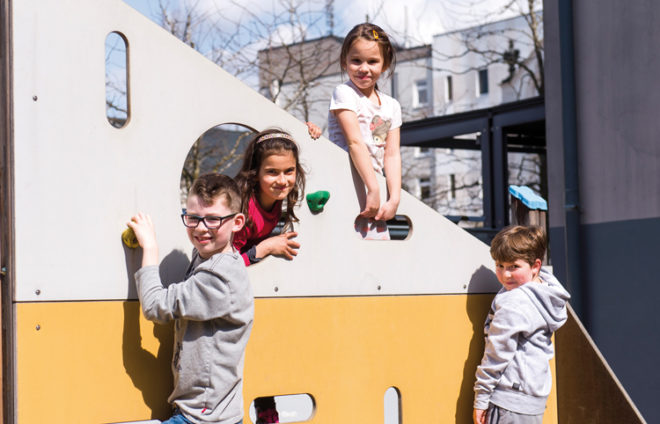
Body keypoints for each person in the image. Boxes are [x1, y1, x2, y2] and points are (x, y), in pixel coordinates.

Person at [127, 173, 253, 424]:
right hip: (202, 413)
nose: (201, 228)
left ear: (237, 222)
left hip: (205, 419)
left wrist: (149, 248)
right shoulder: (207, 257)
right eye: (193, 218)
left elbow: (154, 306)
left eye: (213, 220)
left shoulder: (219, 277)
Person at [473, 226, 570, 424]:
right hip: (532, 397)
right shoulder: (545, 292)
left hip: (509, 401)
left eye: (513, 267)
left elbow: (496, 354)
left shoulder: (514, 302)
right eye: (499, 265)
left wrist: (481, 398)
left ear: (535, 266)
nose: (505, 275)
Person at [327, 22, 401, 239]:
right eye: (356, 61)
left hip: (373, 189)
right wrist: (374, 189)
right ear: (344, 62)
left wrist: (393, 198)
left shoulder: (391, 106)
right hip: (346, 182)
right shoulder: (345, 93)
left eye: (373, 61)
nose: (364, 68)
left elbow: (392, 153)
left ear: (385, 64)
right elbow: (355, 142)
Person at [233, 128, 306, 267]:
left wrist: (308, 131)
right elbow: (225, 267)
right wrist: (266, 247)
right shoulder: (243, 211)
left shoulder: (275, 196)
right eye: (272, 172)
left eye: (289, 171)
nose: (282, 181)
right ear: (255, 173)